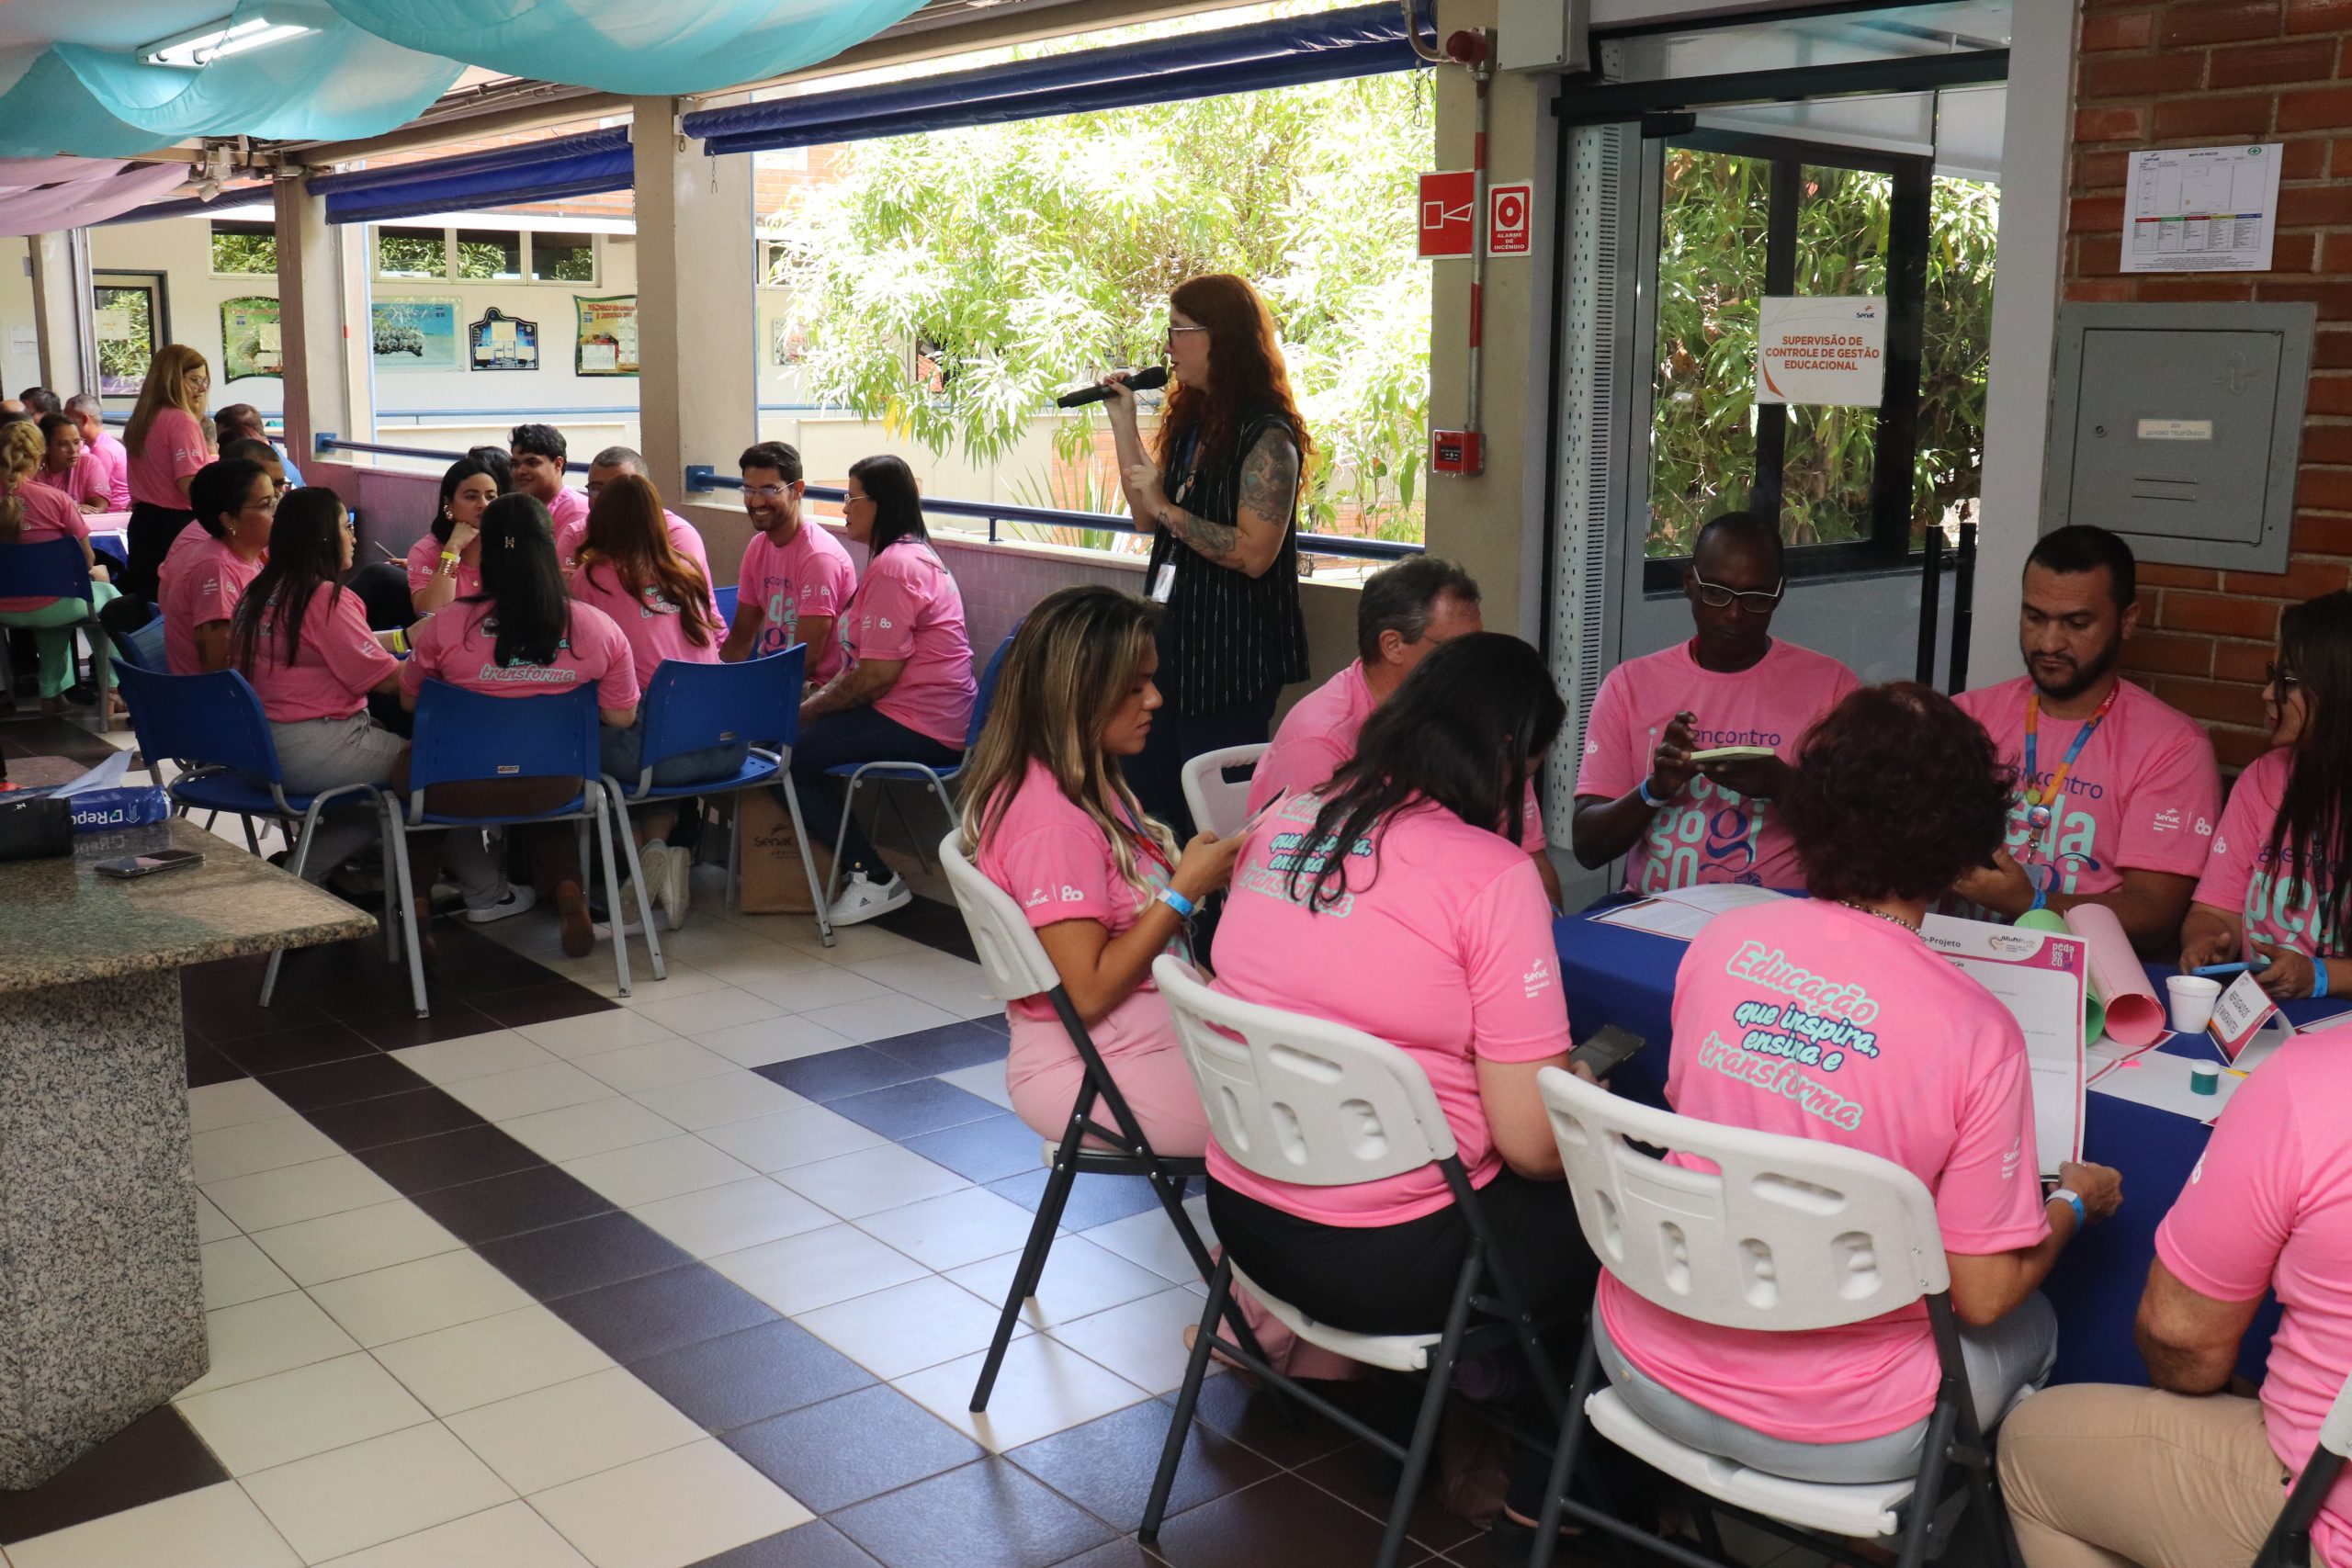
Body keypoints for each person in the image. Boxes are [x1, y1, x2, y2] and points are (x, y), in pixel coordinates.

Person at [1597, 682, 2123, 1490]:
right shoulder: (1977, 1029)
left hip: (1640, 1355)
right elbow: (1984, 1296)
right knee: (2039, 1321)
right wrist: (2075, 1203)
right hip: (1842, 1425)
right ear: (1963, 845)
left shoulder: (1723, 943)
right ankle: (1897, 1539)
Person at [1204, 632, 1600, 1548]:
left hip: (1248, 1222)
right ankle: (1549, 1494)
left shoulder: (1285, 819)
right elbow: (1532, 1148)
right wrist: (1576, 1086)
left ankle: (1465, 1395)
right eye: (1530, 770)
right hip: (1392, 1260)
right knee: (1621, 1223)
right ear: (1506, 754)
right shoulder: (1490, 877)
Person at [1997, 1033, 2352, 1568]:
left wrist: (2070, 1201)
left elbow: (2180, 1337)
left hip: (2322, 1519)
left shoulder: (2314, 1079)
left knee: (2029, 1442)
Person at [962, 586, 1240, 1152]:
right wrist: (1184, 888)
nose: (1155, 699)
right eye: (1135, 687)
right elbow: (1087, 993)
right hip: (1097, 1071)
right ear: (1080, 694)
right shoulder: (1053, 824)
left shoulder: (1090, 786)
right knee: (1315, 1126)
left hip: (1138, 1042)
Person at [1102, 274, 1309, 840]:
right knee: (1149, 800)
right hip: (1168, 642)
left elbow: (1254, 553)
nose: (1168, 346)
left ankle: (1218, 901)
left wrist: (1167, 506)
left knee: (1214, 819)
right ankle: (1164, 896)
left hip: (1228, 658)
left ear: (1219, 336)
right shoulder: (1194, 420)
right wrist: (1123, 424)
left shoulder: (1268, 436)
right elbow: (1145, 517)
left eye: (1178, 331)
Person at [1948, 525, 2221, 951]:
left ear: (2127, 621)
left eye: (2076, 623)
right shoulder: (1964, 717)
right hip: (1955, 957)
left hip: (2085, 977)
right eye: (2035, 617)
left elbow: (2155, 911)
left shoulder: (2173, 747)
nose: (2049, 642)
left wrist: (2034, 903)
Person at [1247, 555, 1563, 908]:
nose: (1474, 663)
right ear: (1393, 645)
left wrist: (1548, 924)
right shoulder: (1320, 741)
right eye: (1457, 649)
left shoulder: (1477, 721)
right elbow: (1308, 886)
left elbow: (1530, 857)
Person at [398, 494, 638, 955]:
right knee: (534, 778)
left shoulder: (446, 625)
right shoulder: (597, 627)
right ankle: (568, 887)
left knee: (416, 783)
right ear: (549, 549)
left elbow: (409, 701)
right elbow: (621, 715)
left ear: (485, 553)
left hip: (454, 785)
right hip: (554, 784)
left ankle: (418, 900)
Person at [1571, 512, 1860, 892]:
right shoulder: (1629, 686)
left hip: (1780, 915)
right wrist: (1656, 788)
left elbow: (1867, 840)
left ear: (1779, 594)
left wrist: (1783, 787)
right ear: (1689, 584)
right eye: (1717, 592)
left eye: (1755, 598)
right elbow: (1588, 847)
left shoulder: (1832, 688)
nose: (1734, 613)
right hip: (1654, 910)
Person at [791, 454, 976, 926]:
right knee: (797, 741)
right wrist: (816, 702)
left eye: (851, 497)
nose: (844, 507)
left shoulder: (896, 567)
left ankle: (873, 876)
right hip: (918, 712)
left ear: (880, 503)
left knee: (789, 758)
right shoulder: (906, 554)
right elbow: (862, 665)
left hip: (922, 724)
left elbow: (875, 677)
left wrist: (809, 712)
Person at [568, 472, 735, 931]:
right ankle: (658, 852)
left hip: (659, 752)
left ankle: (637, 861)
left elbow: (580, 660)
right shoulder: (686, 569)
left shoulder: (593, 578)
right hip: (727, 745)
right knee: (647, 741)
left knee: (584, 749)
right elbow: (715, 635)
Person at [225, 488, 406, 885]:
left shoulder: (257, 592)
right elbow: (390, 681)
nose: (354, 537)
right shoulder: (325, 599)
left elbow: (330, 647)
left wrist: (403, 642)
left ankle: (315, 873)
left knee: (367, 796)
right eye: (346, 527)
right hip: (311, 753)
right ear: (322, 536)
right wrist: (441, 662)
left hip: (254, 753)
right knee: (427, 767)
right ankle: (482, 890)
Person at [2179, 590, 2352, 999]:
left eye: (2287, 682)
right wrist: (2206, 942)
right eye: (2273, 675)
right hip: (2254, 1012)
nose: (2268, 694)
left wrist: (2319, 977)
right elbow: (2213, 910)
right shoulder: (2265, 776)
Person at [0, 421, 119, 714]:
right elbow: (86, 560)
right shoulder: (56, 500)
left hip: (4, 608)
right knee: (108, 599)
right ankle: (112, 690)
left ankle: (51, 693)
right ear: (40, 456)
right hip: (53, 603)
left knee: (55, 600)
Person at [719, 440, 855, 685]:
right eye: (749, 490)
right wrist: (715, 685)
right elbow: (740, 641)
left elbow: (804, 662)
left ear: (798, 490)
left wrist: (753, 695)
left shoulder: (818, 558)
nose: (756, 502)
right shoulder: (758, 547)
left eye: (770, 490)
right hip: (771, 676)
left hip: (813, 689)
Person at [160, 458, 272, 676]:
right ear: (229, 520)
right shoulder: (217, 569)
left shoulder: (246, 557)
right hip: (218, 695)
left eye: (276, 499)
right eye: (266, 504)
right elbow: (218, 671)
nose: (277, 511)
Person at [564, 446, 717, 605]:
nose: (607, 499)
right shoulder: (576, 535)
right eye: (597, 489)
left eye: (622, 491)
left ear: (644, 493)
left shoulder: (678, 535)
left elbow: (673, 609)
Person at [121, 345, 211, 601]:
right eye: (194, 380)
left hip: (143, 525)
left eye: (204, 381)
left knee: (149, 607)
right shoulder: (182, 421)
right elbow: (189, 484)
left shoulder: (142, 420)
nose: (202, 389)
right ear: (173, 379)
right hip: (176, 529)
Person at [407, 457, 503, 616]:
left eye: (491, 497)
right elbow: (430, 614)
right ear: (448, 504)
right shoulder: (426, 551)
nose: (483, 504)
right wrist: (452, 550)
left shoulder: (509, 544)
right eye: (471, 497)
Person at [509, 423, 585, 539]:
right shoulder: (518, 508)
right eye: (515, 464)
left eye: (532, 463)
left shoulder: (575, 510)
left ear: (558, 464)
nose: (520, 471)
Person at [28, 412, 108, 512]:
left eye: (76, 442)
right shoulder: (32, 469)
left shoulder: (88, 463)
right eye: (64, 444)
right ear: (46, 446)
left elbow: (99, 507)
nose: (73, 450)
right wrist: (71, 508)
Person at [215, 403, 305, 487]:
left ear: (249, 433)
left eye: (225, 439)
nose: (220, 447)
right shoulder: (273, 461)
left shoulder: (274, 471)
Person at [66, 395, 130, 512]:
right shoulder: (104, 443)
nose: (64, 426)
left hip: (112, 516)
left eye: (68, 421)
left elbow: (95, 494)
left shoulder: (101, 450)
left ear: (85, 419)